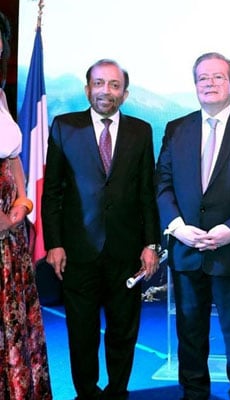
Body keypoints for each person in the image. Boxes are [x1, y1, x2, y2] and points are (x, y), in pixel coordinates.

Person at [155, 52, 230, 400]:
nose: (209, 83)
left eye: (218, 77)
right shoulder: (176, 129)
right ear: (195, 86)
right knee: (189, 330)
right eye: (203, 78)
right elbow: (161, 182)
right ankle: (194, 393)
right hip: (186, 248)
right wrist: (177, 227)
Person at [42, 59, 160, 400]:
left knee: (123, 329)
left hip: (126, 251)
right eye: (98, 83)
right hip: (78, 251)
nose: (105, 91)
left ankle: (118, 392)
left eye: (113, 85)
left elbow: (145, 194)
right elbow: (52, 191)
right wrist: (55, 243)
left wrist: (150, 243)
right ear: (87, 89)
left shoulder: (141, 131)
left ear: (124, 92)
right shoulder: (65, 126)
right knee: (82, 331)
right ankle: (87, 393)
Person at [0, 11, 52, 398]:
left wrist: (22, 198)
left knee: (14, 322)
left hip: (12, 234)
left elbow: (14, 155)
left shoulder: (0, 92)